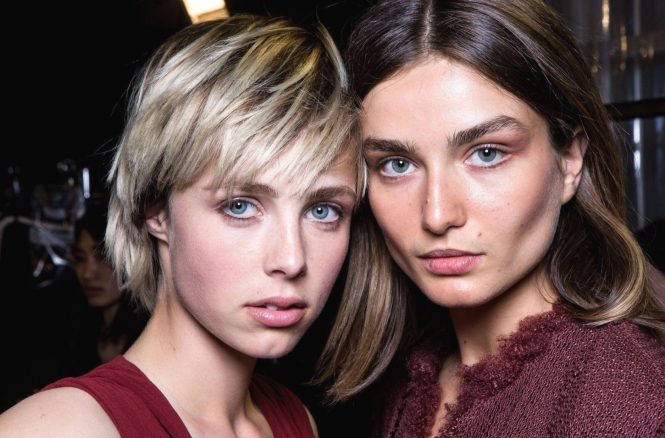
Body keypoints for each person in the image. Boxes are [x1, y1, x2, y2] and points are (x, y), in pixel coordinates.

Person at [0, 14, 362, 437]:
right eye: (241, 206)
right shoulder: (59, 428)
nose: (291, 259)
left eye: (323, 211)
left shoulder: (295, 419)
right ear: (156, 212)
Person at [317, 0, 665, 436]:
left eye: (486, 153)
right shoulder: (411, 376)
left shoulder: (630, 406)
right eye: (397, 164)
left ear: (570, 161)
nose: (438, 214)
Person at [70, 202, 147, 367]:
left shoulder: (152, 335)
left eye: (103, 257)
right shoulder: (77, 332)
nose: (87, 274)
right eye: (80, 258)